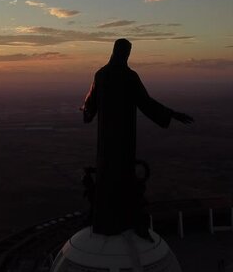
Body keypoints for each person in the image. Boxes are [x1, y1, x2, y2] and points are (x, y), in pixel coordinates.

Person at [81, 38, 193, 237]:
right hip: (122, 137)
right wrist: (172, 114)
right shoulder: (126, 76)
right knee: (120, 173)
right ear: (120, 52)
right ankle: (117, 218)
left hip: (109, 138)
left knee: (112, 173)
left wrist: (87, 113)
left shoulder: (103, 74)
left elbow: (91, 104)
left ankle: (111, 218)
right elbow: (145, 102)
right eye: (126, 51)